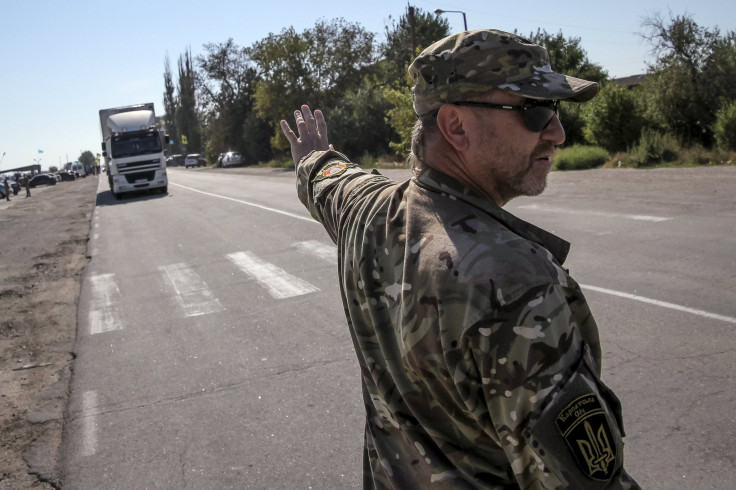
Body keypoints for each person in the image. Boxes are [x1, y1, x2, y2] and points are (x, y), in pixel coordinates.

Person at [281, 29, 639, 489]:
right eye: (534, 111)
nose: (558, 132)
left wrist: (313, 157)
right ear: (454, 127)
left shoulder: (369, 213)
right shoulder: (514, 287)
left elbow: (332, 181)